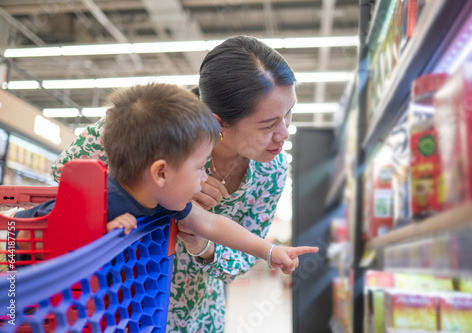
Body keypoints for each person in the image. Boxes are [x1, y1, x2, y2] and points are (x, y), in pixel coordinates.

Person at [51, 35, 297, 332]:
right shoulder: (153, 123)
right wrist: (144, 191)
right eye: (269, 124)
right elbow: (63, 173)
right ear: (219, 123)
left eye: (289, 114)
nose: (284, 132)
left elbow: (228, 241)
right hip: (115, 301)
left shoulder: (272, 171)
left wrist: (206, 247)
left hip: (195, 315)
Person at [14, 83, 317, 271]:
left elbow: (212, 224)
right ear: (160, 172)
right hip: (20, 262)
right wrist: (100, 228)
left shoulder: (166, 200)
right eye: (200, 168)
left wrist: (271, 250)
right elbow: (41, 231)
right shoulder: (102, 197)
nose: (204, 179)